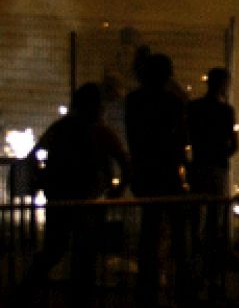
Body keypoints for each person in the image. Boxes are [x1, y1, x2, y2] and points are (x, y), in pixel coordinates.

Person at [16, 83, 129, 307]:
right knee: (84, 253)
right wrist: (118, 189)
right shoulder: (99, 131)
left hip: (61, 199)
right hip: (88, 201)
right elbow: (125, 162)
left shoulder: (62, 128)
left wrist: (40, 179)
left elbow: (34, 155)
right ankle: (80, 297)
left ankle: (26, 291)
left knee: (55, 249)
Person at [125, 51, 191, 306]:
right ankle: (182, 281)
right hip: (167, 172)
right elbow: (179, 141)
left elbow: (134, 138)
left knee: (149, 229)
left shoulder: (134, 100)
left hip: (147, 171)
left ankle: (147, 284)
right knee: (177, 228)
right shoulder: (173, 103)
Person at [187, 67, 239, 283]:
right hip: (218, 167)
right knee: (215, 215)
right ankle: (211, 265)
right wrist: (221, 154)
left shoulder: (193, 108)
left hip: (198, 165)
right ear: (223, 84)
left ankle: (192, 262)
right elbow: (234, 144)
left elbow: (186, 136)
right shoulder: (226, 111)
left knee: (195, 215)